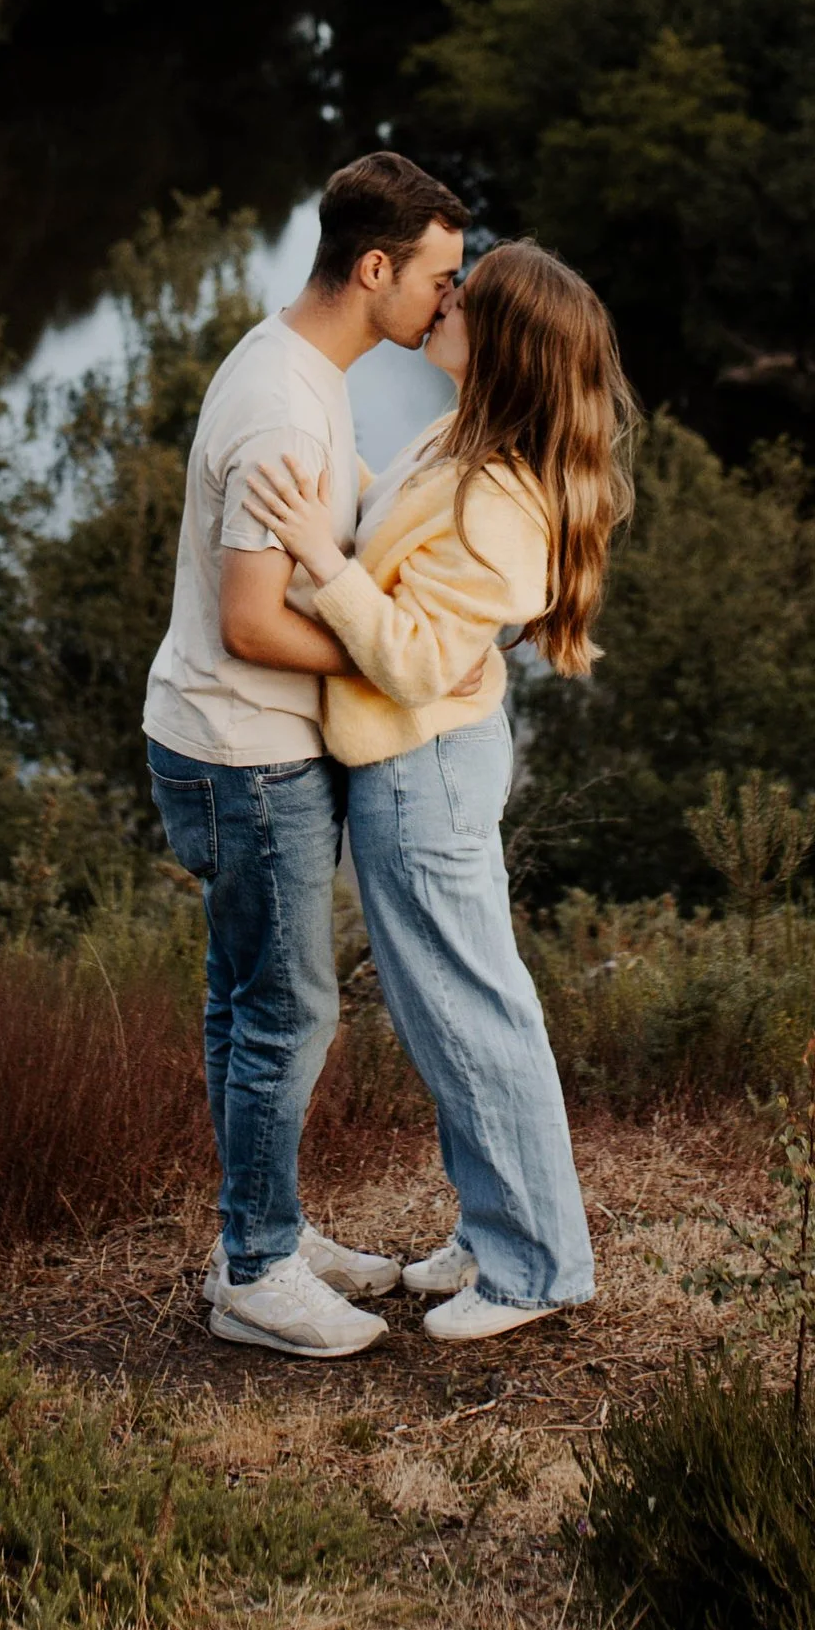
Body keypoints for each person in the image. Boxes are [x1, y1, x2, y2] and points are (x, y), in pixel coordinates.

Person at [243, 237, 635, 1345]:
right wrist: (333, 497)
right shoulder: (458, 437)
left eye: (465, 294)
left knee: (471, 1018)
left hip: (425, 773)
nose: (443, 300)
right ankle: (496, 1222)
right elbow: (397, 536)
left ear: (502, 342)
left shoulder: (503, 499)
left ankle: (534, 1268)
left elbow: (412, 657)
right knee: (446, 1013)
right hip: (414, 764)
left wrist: (318, 562)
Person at [143, 150, 471, 1360]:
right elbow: (248, 618)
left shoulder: (301, 362)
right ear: (373, 267)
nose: (449, 300)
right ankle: (257, 1273)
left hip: (228, 743)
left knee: (247, 1005)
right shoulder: (287, 400)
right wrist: (393, 662)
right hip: (245, 756)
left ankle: (258, 1228)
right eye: (436, 278)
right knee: (289, 1014)